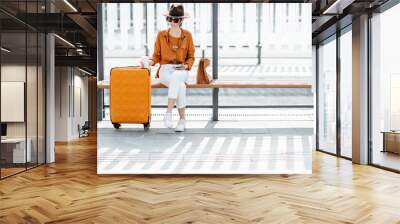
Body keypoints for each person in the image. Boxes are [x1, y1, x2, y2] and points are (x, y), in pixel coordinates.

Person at [140, 4, 195, 132]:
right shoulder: (161, 35)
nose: (172, 22)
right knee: (181, 86)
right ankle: (182, 120)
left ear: (181, 20)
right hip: (165, 70)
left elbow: (191, 57)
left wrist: (186, 66)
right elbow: (156, 56)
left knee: (177, 77)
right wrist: (149, 62)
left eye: (175, 20)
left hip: (182, 70)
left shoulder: (187, 35)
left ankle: (168, 113)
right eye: (169, 19)